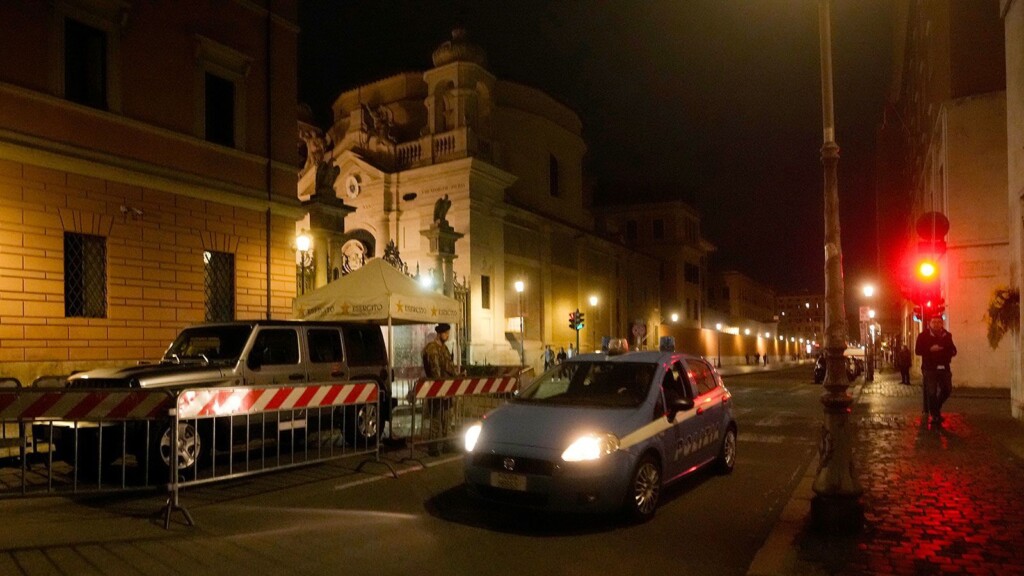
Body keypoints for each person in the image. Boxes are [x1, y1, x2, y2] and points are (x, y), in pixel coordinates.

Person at [422, 323, 461, 454]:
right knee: (436, 419)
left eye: (448, 333)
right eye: (446, 333)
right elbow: (435, 372)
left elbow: (449, 368)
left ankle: (447, 444)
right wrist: (441, 388)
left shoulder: (444, 348)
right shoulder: (432, 349)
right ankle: (432, 447)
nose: (447, 335)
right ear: (439, 333)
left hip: (447, 389)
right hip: (437, 389)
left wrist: (458, 376)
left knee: (447, 418)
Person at [915, 315, 957, 425]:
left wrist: (947, 353)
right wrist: (930, 350)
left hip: (944, 367)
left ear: (942, 323)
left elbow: (953, 350)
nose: (937, 324)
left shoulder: (947, 335)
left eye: (939, 322)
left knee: (947, 389)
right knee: (931, 391)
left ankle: (935, 408)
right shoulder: (923, 336)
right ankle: (935, 415)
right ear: (930, 323)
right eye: (934, 322)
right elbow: (918, 350)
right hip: (930, 368)